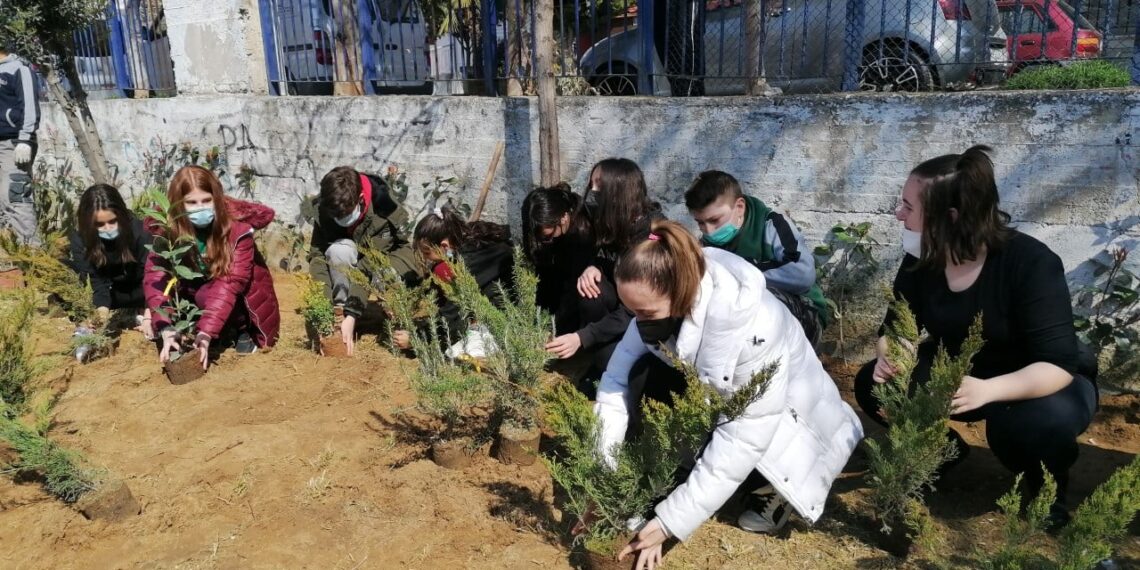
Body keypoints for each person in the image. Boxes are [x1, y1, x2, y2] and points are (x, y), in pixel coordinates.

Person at [853, 145, 1099, 529]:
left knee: (1029, 425)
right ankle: (941, 453)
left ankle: (1047, 493)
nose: (898, 214)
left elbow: (1058, 364)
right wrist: (894, 354)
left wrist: (988, 390)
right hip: (959, 371)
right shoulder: (925, 256)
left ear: (949, 217)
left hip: (1039, 381)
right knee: (874, 384)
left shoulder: (1030, 263)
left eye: (908, 207)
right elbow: (897, 328)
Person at [594, 221, 863, 568]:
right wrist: (605, 472)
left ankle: (772, 492)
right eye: (633, 313)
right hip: (720, 394)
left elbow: (743, 437)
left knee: (758, 462)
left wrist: (670, 522)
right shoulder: (655, 305)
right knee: (644, 373)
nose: (637, 322)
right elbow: (615, 380)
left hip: (788, 416)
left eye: (645, 313)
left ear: (681, 292)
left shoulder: (754, 328)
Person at [144, 165, 280, 370]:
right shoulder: (168, 231)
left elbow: (230, 283)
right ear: (178, 204)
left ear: (217, 198)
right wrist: (165, 327)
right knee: (191, 292)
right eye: (191, 202)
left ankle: (241, 329)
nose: (200, 208)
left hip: (237, 296)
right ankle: (206, 327)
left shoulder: (237, 230)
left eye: (207, 200)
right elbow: (156, 278)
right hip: (198, 292)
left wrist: (206, 332)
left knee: (206, 295)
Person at [684, 170, 828, 347]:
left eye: (715, 220)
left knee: (758, 300)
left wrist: (742, 273)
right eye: (700, 223)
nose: (709, 231)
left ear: (739, 207)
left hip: (803, 316)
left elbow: (802, 274)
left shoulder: (772, 224)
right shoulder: (707, 246)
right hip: (742, 326)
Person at [567, 159, 665, 387]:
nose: (591, 193)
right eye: (591, 184)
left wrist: (584, 336)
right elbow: (604, 255)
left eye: (599, 186)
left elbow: (638, 310)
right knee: (591, 291)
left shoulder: (651, 238)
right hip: (619, 312)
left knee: (609, 361)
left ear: (621, 192)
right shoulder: (611, 221)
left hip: (645, 322)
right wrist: (593, 266)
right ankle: (602, 356)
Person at [308, 166, 420, 356]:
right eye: (336, 216)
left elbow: (372, 264)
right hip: (355, 255)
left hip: (386, 259)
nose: (340, 219)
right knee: (338, 251)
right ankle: (338, 316)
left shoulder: (385, 209)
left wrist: (352, 313)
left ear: (360, 198)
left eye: (345, 214)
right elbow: (318, 256)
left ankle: (397, 322)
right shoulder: (328, 206)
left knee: (384, 273)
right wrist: (323, 306)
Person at [522, 184, 622, 380]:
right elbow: (547, 279)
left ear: (564, 218)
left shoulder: (582, 234)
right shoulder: (556, 231)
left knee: (589, 293)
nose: (546, 241)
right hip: (570, 286)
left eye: (548, 236)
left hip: (602, 292)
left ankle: (596, 356)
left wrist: (559, 330)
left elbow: (571, 288)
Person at [395, 204, 513, 353]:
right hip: (492, 296)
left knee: (457, 351)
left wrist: (416, 338)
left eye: (427, 252)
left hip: (506, 310)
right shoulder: (467, 236)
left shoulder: (472, 259)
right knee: (440, 271)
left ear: (444, 246)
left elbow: (454, 310)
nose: (427, 258)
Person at [68, 184, 153, 339]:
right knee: (66, 268)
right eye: (100, 224)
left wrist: (149, 315)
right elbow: (96, 282)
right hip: (109, 294)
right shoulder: (81, 240)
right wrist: (100, 315)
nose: (108, 228)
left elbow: (151, 276)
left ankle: (141, 310)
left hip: (140, 289)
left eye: (112, 221)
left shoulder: (140, 232)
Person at [0, 47, 40, 245]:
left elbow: (30, 106)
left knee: (16, 197)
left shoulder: (19, 68)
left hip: (13, 144)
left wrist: (25, 139)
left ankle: (32, 255)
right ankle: (9, 251)